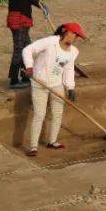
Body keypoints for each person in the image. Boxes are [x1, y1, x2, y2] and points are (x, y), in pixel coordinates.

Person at [21, 22, 87, 156]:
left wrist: (70, 88)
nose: (76, 38)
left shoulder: (74, 51)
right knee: (40, 114)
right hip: (40, 83)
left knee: (57, 114)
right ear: (65, 32)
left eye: (78, 36)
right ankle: (33, 147)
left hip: (57, 84)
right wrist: (29, 67)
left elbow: (68, 69)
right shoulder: (51, 42)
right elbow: (27, 50)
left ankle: (52, 141)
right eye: (75, 34)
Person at [7, 0, 49, 89]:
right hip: (18, 18)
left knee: (26, 48)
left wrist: (41, 5)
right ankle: (14, 80)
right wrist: (42, 6)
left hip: (20, 17)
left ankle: (26, 77)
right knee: (20, 49)